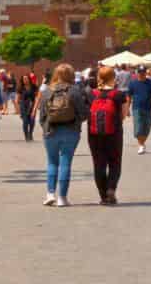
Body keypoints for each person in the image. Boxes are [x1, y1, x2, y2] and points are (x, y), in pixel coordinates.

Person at [37, 63, 89, 206]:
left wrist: (45, 127)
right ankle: (62, 198)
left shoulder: (47, 91)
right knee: (66, 162)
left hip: (51, 130)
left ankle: (50, 194)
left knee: (52, 162)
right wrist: (77, 122)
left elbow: (42, 115)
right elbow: (84, 113)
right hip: (70, 130)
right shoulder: (74, 91)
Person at [85, 66, 127, 205]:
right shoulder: (119, 95)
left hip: (94, 134)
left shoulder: (91, 93)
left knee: (98, 164)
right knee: (115, 162)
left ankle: (103, 195)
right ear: (113, 77)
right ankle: (111, 189)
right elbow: (124, 115)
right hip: (114, 133)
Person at [127, 66, 151, 152]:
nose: (142, 74)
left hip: (149, 108)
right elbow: (128, 97)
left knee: (147, 127)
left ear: (145, 73)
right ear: (137, 73)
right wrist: (127, 109)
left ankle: (142, 143)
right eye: (140, 72)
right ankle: (141, 144)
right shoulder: (132, 83)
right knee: (138, 128)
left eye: (143, 72)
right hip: (137, 108)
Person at [17, 72, 41, 141]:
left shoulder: (34, 87)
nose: (25, 80)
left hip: (32, 105)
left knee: (32, 121)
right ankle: (26, 135)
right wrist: (18, 109)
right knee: (25, 121)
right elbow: (18, 99)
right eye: (24, 79)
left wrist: (37, 106)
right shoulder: (20, 87)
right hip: (23, 106)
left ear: (29, 79)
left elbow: (37, 97)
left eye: (26, 79)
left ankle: (30, 133)